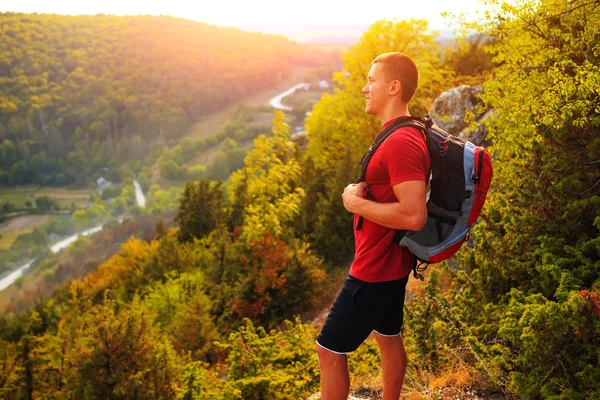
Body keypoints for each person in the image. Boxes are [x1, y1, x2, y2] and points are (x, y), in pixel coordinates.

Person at [315, 52, 431, 400]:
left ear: (394, 87)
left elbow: (413, 215)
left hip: (374, 270)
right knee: (388, 335)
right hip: (391, 264)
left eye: (371, 80)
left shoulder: (401, 141)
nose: (365, 88)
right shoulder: (399, 133)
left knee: (329, 351)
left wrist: (354, 203)